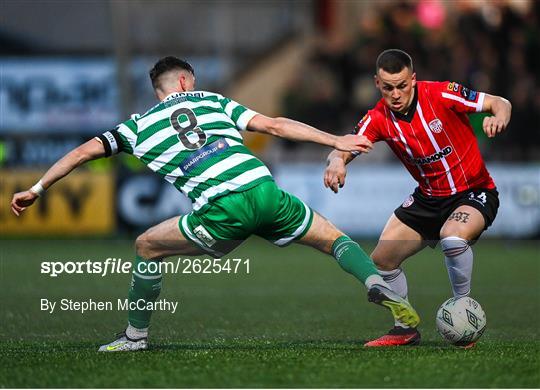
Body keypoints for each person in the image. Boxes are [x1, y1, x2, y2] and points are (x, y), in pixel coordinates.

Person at [11, 56, 419, 352]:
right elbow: (276, 125)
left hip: (222, 208)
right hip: (264, 189)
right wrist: (335, 141)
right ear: (187, 81)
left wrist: (39, 187)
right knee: (333, 237)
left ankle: (134, 338)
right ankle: (375, 283)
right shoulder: (211, 101)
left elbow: (83, 151)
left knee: (146, 246)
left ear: (161, 89)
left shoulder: (135, 127)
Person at [324, 49, 511, 347]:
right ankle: (404, 328)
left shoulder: (442, 94)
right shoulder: (378, 118)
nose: (396, 94)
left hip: (474, 191)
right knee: (382, 260)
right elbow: (344, 145)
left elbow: (499, 102)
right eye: (388, 88)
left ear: (413, 79)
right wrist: (336, 162)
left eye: (402, 85)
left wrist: (498, 117)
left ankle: (463, 308)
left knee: (452, 237)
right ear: (377, 84)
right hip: (428, 199)